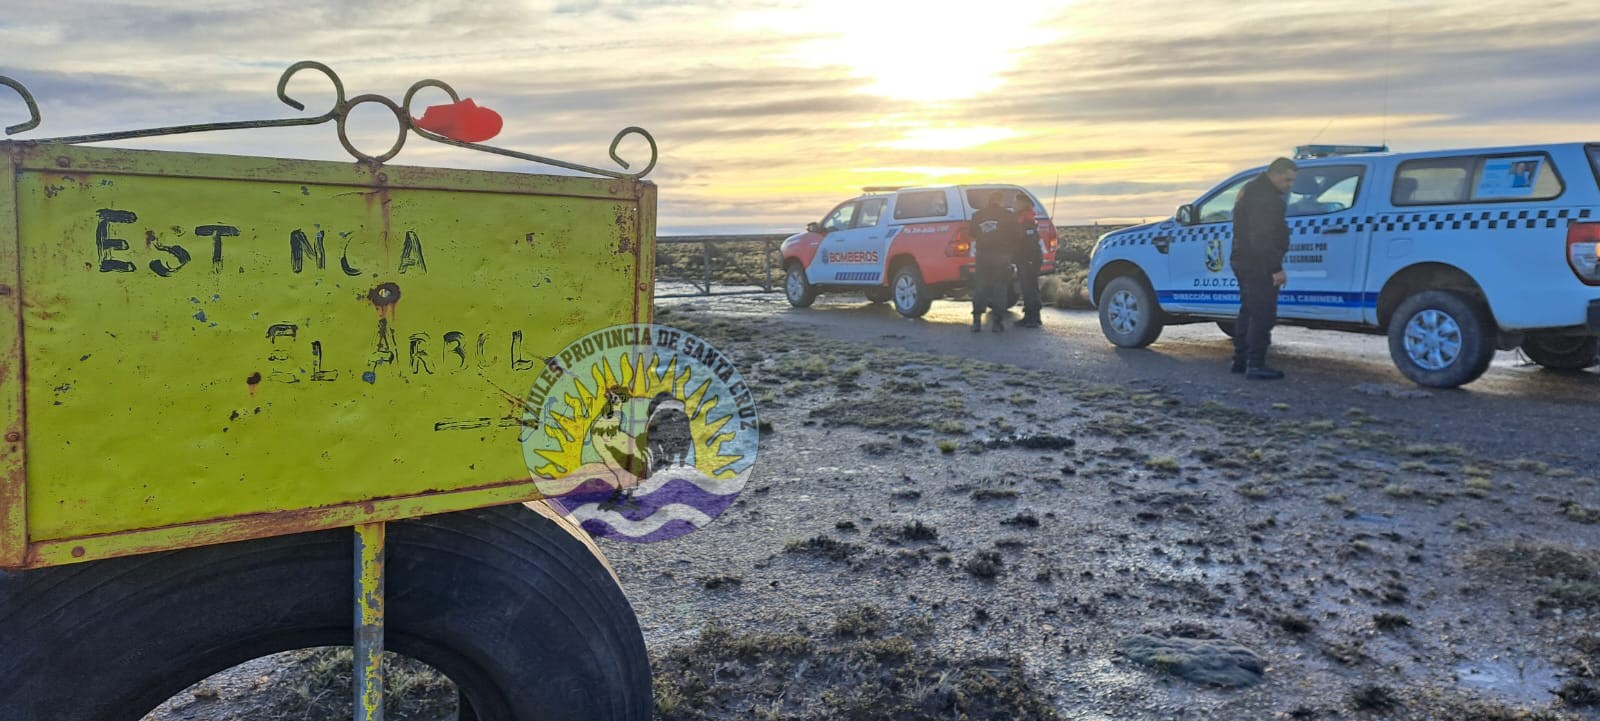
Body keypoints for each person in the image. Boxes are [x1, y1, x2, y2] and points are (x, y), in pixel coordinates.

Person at [1229, 157, 1296, 380]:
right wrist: (1275, 268)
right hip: (1259, 262)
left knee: (1248, 310)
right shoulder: (1266, 198)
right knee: (1263, 313)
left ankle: (1240, 361)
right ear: (1274, 174)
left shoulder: (1250, 189)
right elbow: (1262, 237)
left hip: (1244, 259)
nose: (1289, 185)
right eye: (1286, 180)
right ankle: (1256, 364)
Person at [969, 191, 1023, 332]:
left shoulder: (978, 215)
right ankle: (997, 323)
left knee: (980, 287)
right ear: (1000, 201)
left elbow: (972, 233)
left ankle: (976, 321)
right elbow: (1018, 235)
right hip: (1002, 256)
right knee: (1000, 288)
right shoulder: (1008, 216)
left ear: (989, 200)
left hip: (982, 256)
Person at [1013, 196, 1044, 328]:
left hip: (1028, 258)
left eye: (1017, 202)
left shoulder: (1026, 220)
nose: (1014, 204)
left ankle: (1033, 317)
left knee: (1029, 288)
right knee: (1029, 288)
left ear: (1023, 204)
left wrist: (1028, 258)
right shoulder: (1024, 218)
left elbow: (1028, 242)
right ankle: (1031, 316)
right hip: (1027, 258)